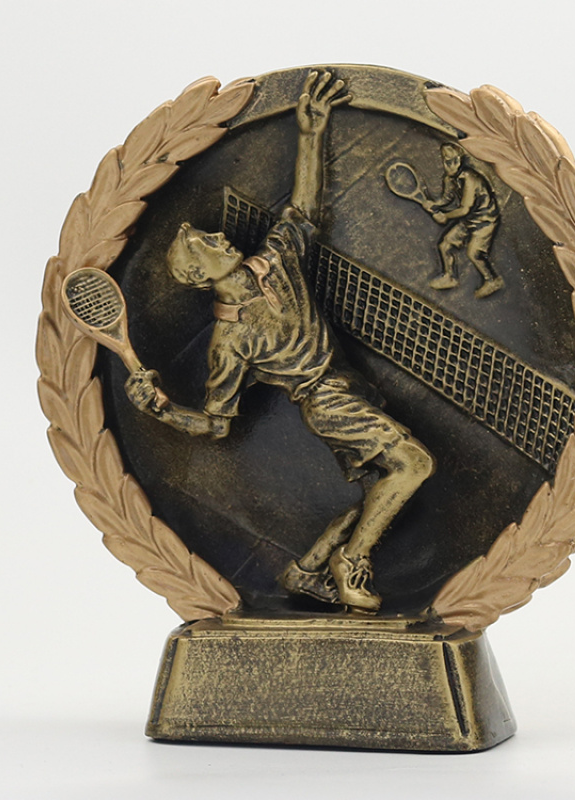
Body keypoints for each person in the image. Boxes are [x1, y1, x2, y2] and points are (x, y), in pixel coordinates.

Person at [125, 71, 435, 614]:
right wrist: (163, 410)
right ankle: (351, 561)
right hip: (326, 402)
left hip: (348, 387)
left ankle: (306, 569)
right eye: (206, 243)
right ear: (199, 276)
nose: (220, 236)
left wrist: (311, 133)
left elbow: (303, 208)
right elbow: (217, 423)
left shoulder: (276, 260)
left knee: (375, 493)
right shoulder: (229, 339)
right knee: (413, 464)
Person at [425, 142, 504, 298]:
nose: (451, 166)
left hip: (485, 220)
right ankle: (450, 277)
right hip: (469, 219)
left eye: (455, 161)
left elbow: (464, 209)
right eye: (447, 162)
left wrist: (445, 216)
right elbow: (447, 198)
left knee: (474, 252)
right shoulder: (449, 178)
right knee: (445, 245)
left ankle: (492, 280)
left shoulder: (470, 180)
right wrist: (434, 205)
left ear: (460, 160)